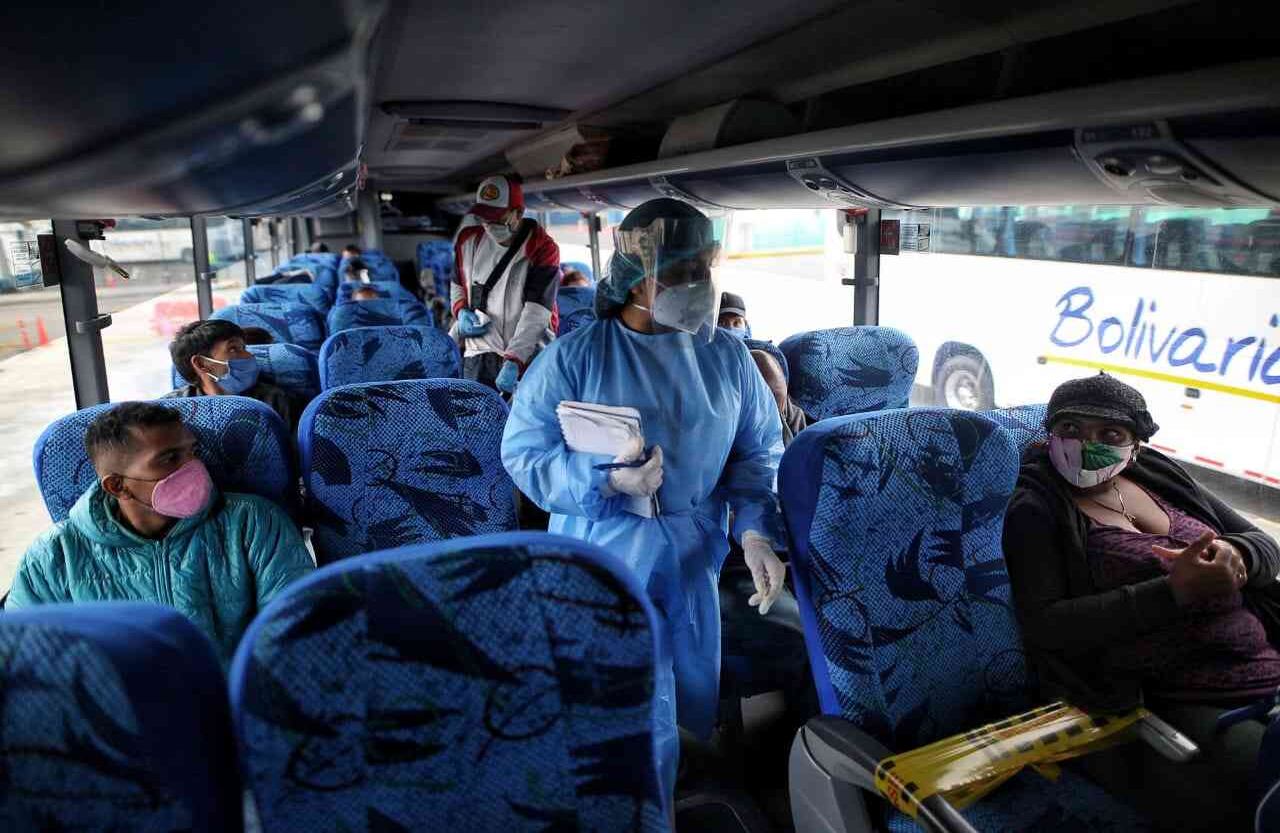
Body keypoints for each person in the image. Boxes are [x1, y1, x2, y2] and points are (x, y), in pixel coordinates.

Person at [501, 198, 787, 796]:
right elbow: (525, 455)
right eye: (683, 272)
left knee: (688, 697)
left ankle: (682, 799)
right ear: (637, 278)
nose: (700, 285)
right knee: (618, 714)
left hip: (693, 554)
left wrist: (756, 532)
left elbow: (756, 452)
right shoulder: (573, 358)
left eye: (704, 270)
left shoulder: (726, 356)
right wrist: (604, 480)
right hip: (601, 553)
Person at [1003, 373, 1280, 832]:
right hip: (1181, 696)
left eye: (1110, 434)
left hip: (1264, 659)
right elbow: (1047, 624)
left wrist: (1238, 555)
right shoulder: (1036, 506)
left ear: (1135, 447)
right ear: (1049, 435)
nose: (1087, 444)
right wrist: (1172, 593)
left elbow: (1262, 543)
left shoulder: (1157, 474)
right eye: (1071, 428)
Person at [6, 403, 312, 664]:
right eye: (169, 458)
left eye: (193, 451)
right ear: (117, 486)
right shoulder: (53, 556)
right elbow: (28, 661)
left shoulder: (253, 522)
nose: (195, 467)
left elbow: (296, 628)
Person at [451, 175, 560, 394]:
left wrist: (515, 359)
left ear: (518, 213)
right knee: (476, 411)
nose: (489, 224)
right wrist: (460, 311)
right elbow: (457, 285)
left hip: (526, 352)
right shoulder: (468, 240)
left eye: (496, 218)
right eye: (484, 217)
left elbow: (537, 311)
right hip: (479, 350)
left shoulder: (541, 247)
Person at [164, 319, 297, 429]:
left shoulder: (276, 401)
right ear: (201, 364)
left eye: (243, 348)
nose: (249, 355)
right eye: (233, 349)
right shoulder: (172, 409)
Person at [717, 291, 807, 444]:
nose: (731, 328)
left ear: (746, 326)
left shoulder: (765, 360)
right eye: (722, 323)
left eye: (737, 323)